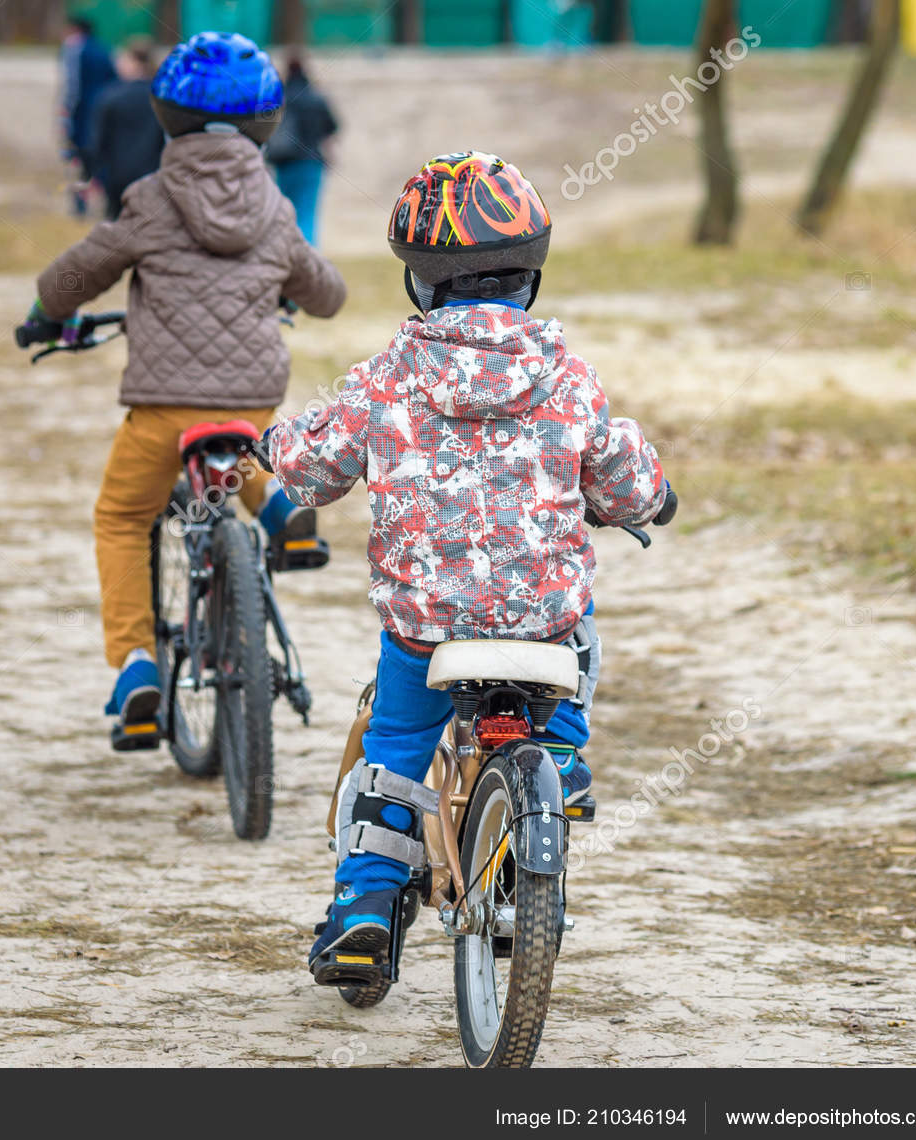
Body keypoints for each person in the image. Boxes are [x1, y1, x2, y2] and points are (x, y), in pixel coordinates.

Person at [259, 152, 677, 979]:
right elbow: (621, 475)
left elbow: (310, 468)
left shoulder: (385, 379)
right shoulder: (567, 376)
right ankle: (558, 757)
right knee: (575, 638)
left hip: (426, 628)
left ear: (421, 283)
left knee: (399, 743)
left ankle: (366, 905)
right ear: (532, 276)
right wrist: (653, 500)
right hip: (541, 625)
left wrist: (279, 447)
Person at [22, 31, 347, 749]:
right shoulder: (273, 206)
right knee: (249, 452)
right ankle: (281, 507)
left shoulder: (150, 198)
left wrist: (49, 315)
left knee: (121, 517)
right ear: (267, 119)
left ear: (167, 112)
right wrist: (286, 285)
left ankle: (137, 667)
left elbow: (73, 275)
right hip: (251, 401)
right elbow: (326, 294)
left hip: (164, 410)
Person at [264, 54, 339, 245]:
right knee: (307, 213)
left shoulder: (280, 99)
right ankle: (308, 254)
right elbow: (331, 129)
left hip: (284, 163)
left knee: (286, 213)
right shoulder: (316, 98)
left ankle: (288, 252)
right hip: (311, 163)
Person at [87, 41, 166, 220]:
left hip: (117, 177)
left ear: (134, 62)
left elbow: (99, 142)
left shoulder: (109, 96)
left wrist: (94, 175)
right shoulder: (163, 98)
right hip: (153, 176)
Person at [59, 14, 118, 217]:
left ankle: (80, 206)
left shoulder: (75, 50)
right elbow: (114, 80)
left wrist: (65, 115)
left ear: (76, 29)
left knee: (79, 159)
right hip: (104, 110)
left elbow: (72, 87)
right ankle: (109, 202)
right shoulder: (105, 50)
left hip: (82, 113)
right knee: (101, 156)